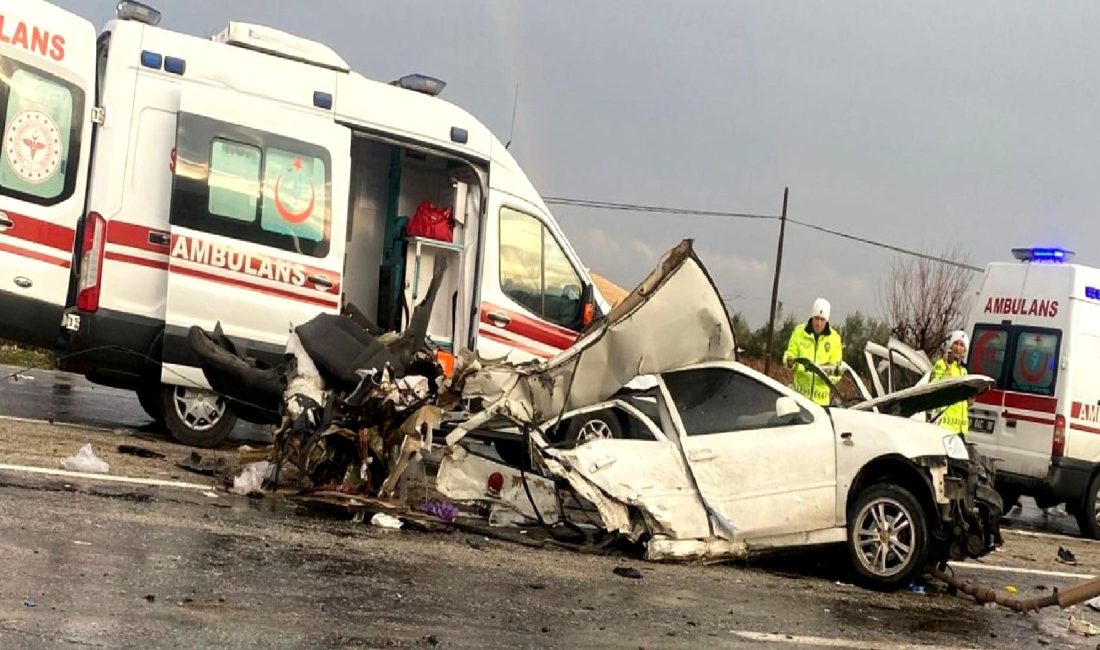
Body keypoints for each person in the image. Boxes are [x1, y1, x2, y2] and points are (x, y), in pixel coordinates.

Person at [784, 298, 843, 405]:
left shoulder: (835, 339)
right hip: (799, 399)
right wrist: (789, 362)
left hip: (821, 404)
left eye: (822, 319)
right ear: (812, 317)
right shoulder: (799, 333)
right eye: (816, 318)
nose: (819, 323)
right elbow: (789, 355)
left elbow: (837, 371)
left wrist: (829, 375)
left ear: (827, 320)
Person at [930, 330, 970, 435]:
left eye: (961, 345)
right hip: (943, 426)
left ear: (965, 350)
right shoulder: (941, 364)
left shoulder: (963, 371)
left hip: (960, 429)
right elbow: (933, 387)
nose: (958, 347)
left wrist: (970, 400)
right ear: (950, 347)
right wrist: (947, 368)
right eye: (955, 343)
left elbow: (962, 403)